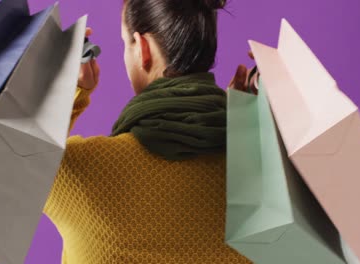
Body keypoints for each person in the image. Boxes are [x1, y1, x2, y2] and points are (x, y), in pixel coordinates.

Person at [43, 0, 257, 263]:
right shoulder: (263, 176)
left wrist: (67, 92)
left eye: (125, 43)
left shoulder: (74, 171)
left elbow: (12, 164)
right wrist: (256, 125)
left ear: (142, 48)